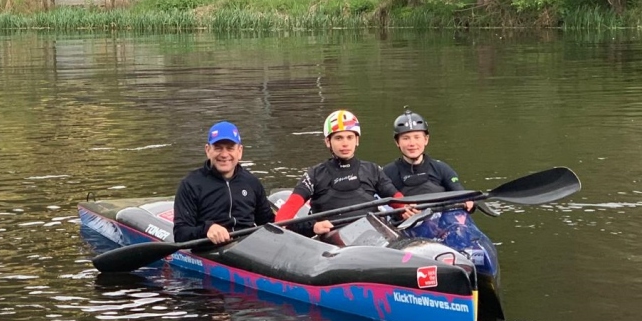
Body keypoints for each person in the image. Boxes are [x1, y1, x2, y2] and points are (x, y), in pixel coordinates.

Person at [274, 110, 407, 236]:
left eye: (350, 137)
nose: (345, 144)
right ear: (328, 142)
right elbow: (284, 216)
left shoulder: (373, 170)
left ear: (357, 140)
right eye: (339, 138)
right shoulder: (314, 174)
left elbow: (397, 199)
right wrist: (312, 227)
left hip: (373, 237)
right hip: (334, 245)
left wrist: (407, 209)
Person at [173, 121, 275, 244]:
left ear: (240, 151)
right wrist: (206, 229)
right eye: (218, 148)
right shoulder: (190, 185)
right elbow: (180, 234)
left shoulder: (252, 182)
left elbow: (268, 223)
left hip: (249, 250)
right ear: (208, 150)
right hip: (210, 251)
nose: (224, 154)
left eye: (230, 148)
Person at [382, 109, 473, 212]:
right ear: (397, 142)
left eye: (417, 137)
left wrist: (468, 201)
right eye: (406, 138)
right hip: (407, 224)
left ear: (426, 139)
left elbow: (458, 190)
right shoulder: (387, 173)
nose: (412, 143)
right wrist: (401, 212)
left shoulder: (441, 168)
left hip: (442, 221)